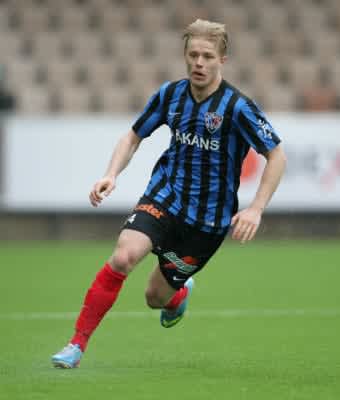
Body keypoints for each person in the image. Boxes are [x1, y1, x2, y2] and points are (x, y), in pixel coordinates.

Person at [51, 19, 287, 369]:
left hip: (206, 222)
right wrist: (111, 174)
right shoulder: (170, 95)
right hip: (165, 197)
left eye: (207, 56)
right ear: (185, 55)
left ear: (222, 60)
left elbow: (276, 155)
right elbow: (133, 136)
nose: (199, 63)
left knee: (154, 297)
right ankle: (76, 345)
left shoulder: (237, 107)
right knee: (123, 257)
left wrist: (256, 208)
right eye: (193, 55)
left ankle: (178, 294)